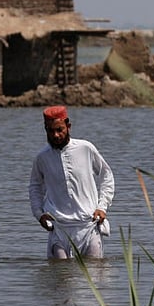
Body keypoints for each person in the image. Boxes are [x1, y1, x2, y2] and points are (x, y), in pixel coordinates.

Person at [29, 105, 115, 259]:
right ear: (45, 130)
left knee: (93, 276)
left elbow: (106, 175)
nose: (55, 135)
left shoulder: (85, 148)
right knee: (61, 276)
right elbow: (35, 187)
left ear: (68, 127)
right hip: (59, 227)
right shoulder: (42, 157)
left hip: (88, 224)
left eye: (59, 129)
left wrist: (102, 207)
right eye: (50, 131)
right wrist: (39, 214)